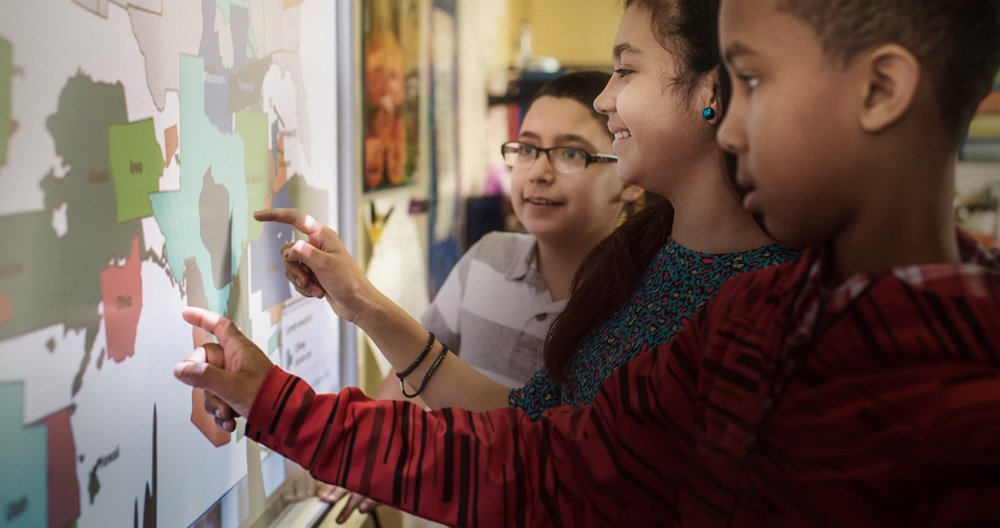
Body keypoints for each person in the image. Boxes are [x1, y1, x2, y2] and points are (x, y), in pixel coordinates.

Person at [176, 0, 1000, 525]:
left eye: (750, 81)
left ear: (880, 91)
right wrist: (272, 397)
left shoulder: (956, 402)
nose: (730, 125)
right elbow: (543, 461)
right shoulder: (752, 322)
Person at [267, 0, 796, 423]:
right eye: (525, 149)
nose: (605, 98)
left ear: (711, 88)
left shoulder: (775, 300)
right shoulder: (641, 261)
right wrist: (361, 304)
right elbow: (532, 428)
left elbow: (548, 457)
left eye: (626, 69)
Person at [320, 70, 645, 521]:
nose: (539, 172)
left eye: (571, 153)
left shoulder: (642, 302)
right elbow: (410, 365)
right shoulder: (487, 257)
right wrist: (372, 449)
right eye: (527, 149)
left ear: (630, 175)